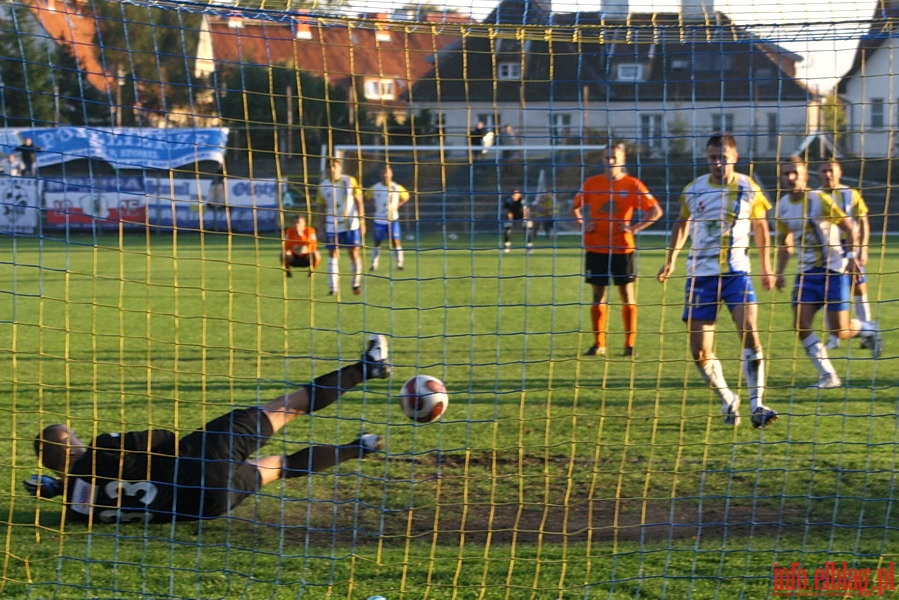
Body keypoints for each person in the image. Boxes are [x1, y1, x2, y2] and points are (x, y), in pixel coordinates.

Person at [23, 335, 392, 523]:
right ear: (71, 445)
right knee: (287, 408)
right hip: (201, 462)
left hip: (205, 506)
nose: (81, 438)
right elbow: (165, 440)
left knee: (279, 466)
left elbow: (86, 487)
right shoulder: (103, 451)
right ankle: (367, 368)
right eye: (74, 437)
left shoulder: (75, 508)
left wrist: (58, 487)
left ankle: (361, 447)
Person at [657, 133, 777, 429]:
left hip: (737, 273)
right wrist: (671, 259)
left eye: (723, 157)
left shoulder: (749, 188)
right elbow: (681, 223)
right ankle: (728, 398)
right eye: (712, 157)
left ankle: (757, 404)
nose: (718, 162)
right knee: (699, 352)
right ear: (707, 159)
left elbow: (761, 228)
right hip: (701, 276)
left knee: (749, 328)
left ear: (734, 157)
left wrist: (766, 267)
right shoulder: (694, 190)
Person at [774, 156, 881, 389]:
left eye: (796, 173)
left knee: (840, 331)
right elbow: (785, 243)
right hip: (806, 274)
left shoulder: (818, 199)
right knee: (801, 325)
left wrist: (852, 257)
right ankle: (829, 376)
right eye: (786, 174)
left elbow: (850, 227)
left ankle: (868, 328)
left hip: (833, 271)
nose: (791, 178)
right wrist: (778, 272)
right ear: (781, 177)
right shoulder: (782, 206)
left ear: (804, 175)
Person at [572, 143, 663, 358]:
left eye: (614, 157)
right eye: (606, 157)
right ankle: (599, 344)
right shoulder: (592, 184)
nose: (610, 161)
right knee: (598, 295)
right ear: (602, 159)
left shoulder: (632, 185)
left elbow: (656, 211)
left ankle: (629, 345)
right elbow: (574, 207)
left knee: (626, 295)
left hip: (622, 248)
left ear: (622, 160)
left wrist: (634, 228)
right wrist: (584, 224)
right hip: (596, 247)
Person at [816, 159, 878, 353]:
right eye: (824, 171)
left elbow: (863, 222)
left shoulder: (850, 194)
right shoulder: (815, 196)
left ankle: (869, 331)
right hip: (829, 250)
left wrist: (863, 249)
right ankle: (835, 336)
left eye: (831, 170)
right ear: (818, 174)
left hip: (850, 246)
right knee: (830, 292)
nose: (828, 174)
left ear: (839, 172)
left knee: (859, 289)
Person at [317, 155, 365, 296]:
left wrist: (362, 221)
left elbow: (359, 201)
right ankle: (333, 288)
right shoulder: (323, 186)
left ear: (340, 168)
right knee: (332, 253)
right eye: (329, 167)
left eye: (334, 166)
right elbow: (320, 208)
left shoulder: (350, 181)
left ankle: (355, 284)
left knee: (354, 252)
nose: (332, 169)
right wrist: (320, 228)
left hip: (351, 224)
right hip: (332, 225)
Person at [367, 165, 410, 271]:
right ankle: (374, 264)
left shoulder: (396, 187)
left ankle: (400, 264)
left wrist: (398, 205)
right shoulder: (375, 187)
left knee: (395, 241)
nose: (385, 175)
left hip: (393, 219)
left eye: (387, 172)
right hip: (379, 219)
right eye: (383, 173)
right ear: (381, 174)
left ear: (391, 174)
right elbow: (366, 196)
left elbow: (406, 196)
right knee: (377, 242)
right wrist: (374, 205)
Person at [282, 213, 321, 278]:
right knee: (283, 254)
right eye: (295, 222)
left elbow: (314, 245)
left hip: (307, 257)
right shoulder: (289, 231)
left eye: (299, 222)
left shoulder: (310, 231)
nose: (297, 224)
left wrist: (301, 235)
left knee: (316, 253)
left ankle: (311, 271)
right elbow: (286, 245)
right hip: (294, 256)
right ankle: (288, 272)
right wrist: (296, 247)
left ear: (304, 223)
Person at [501, 187, 533, 252]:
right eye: (513, 194)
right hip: (513, 215)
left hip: (523, 216)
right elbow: (508, 211)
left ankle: (529, 246)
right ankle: (507, 246)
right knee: (507, 229)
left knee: (527, 229)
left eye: (516, 194)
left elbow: (525, 210)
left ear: (519, 195)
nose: (514, 195)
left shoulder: (522, 201)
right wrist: (510, 220)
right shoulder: (508, 201)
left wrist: (524, 219)